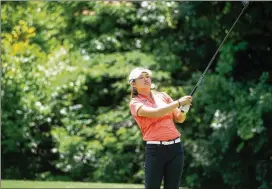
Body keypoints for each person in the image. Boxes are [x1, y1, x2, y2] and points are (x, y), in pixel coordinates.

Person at [128, 67, 193, 189]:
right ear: (133, 84)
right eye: (141, 78)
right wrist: (178, 102)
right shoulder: (135, 103)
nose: (146, 79)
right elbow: (156, 113)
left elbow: (179, 118)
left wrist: (184, 109)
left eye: (147, 76)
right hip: (155, 150)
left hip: (176, 149)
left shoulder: (163, 96)